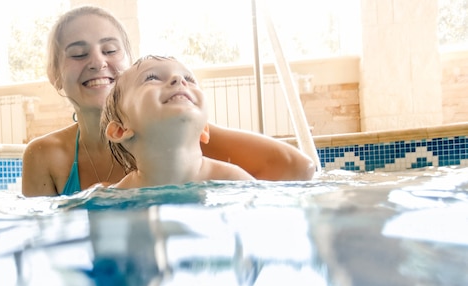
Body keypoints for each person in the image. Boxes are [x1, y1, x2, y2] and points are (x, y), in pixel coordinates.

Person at [21, 5, 315, 197]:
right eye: (77, 53)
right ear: (55, 75)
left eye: (110, 50)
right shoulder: (44, 156)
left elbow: (300, 169)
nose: (97, 62)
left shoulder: (184, 136)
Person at [101, 55, 254, 189]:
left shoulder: (233, 182)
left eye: (189, 79)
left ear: (204, 130)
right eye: (152, 78)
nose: (179, 79)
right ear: (120, 130)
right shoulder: (119, 195)